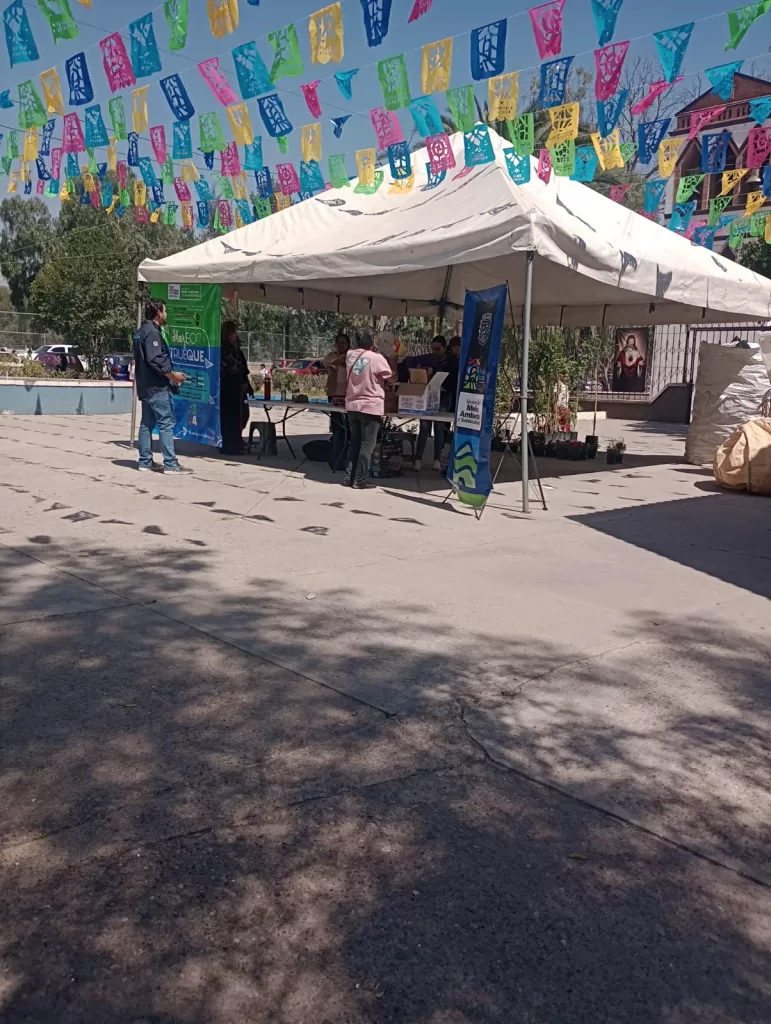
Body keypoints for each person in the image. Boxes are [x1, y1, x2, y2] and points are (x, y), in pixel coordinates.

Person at [134, 298, 190, 474]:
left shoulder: (140, 332)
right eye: (165, 311)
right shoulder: (152, 332)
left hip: (145, 387)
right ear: (158, 313)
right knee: (166, 423)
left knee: (146, 424)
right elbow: (155, 359)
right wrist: (172, 375)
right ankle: (170, 464)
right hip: (157, 388)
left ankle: (145, 462)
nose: (166, 314)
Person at [344, 327, 394, 489]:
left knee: (355, 442)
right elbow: (391, 377)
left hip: (352, 405)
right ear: (372, 341)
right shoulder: (376, 358)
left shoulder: (350, 355)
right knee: (367, 445)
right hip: (370, 406)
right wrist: (391, 357)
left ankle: (348, 477)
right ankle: (360, 480)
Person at [409, 336, 451, 472]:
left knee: (439, 428)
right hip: (428, 397)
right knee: (424, 428)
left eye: (438, 349)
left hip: (443, 397)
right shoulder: (428, 359)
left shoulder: (450, 361)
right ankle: (418, 459)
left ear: (445, 348)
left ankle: (437, 459)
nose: (435, 352)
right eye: (433, 349)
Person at [219, 321, 253, 455]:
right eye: (233, 333)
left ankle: (236, 440)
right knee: (230, 417)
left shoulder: (236, 350)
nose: (236, 335)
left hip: (238, 387)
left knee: (242, 415)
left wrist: (246, 384)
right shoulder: (224, 351)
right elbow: (229, 369)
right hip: (228, 387)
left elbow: (243, 369)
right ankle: (229, 444)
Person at [324, 333, 351, 468]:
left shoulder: (352, 355)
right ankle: (336, 451)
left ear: (348, 344)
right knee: (336, 423)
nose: (341, 345)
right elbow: (329, 363)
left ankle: (346, 452)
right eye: (338, 342)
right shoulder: (331, 355)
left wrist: (343, 361)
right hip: (334, 393)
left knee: (348, 424)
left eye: (343, 342)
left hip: (348, 395)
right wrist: (340, 361)